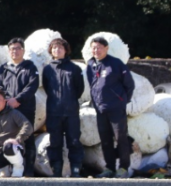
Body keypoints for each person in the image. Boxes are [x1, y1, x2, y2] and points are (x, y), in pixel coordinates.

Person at [86, 36, 135, 178]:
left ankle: (124, 168)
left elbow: (129, 85)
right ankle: (109, 168)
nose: (96, 50)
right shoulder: (90, 64)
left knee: (121, 137)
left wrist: (122, 100)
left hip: (116, 108)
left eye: (99, 47)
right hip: (100, 109)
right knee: (105, 139)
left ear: (106, 48)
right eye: (94, 48)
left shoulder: (115, 63)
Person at [0, 38, 39, 176]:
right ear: (9, 51)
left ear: (23, 50)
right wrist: (7, 100)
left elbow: (32, 86)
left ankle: (29, 169)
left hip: (25, 108)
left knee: (28, 137)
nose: (15, 51)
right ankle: (10, 168)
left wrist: (18, 99)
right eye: (12, 49)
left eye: (18, 48)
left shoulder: (30, 67)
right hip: (7, 109)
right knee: (7, 138)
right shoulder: (4, 68)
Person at [42, 38, 84, 177]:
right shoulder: (47, 69)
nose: (57, 50)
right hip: (53, 111)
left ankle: (76, 170)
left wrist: (69, 101)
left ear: (66, 50)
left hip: (71, 111)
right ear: (51, 51)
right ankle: (57, 170)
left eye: (60, 48)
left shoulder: (75, 69)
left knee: (74, 141)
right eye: (54, 48)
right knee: (55, 142)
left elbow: (79, 89)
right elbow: (47, 88)